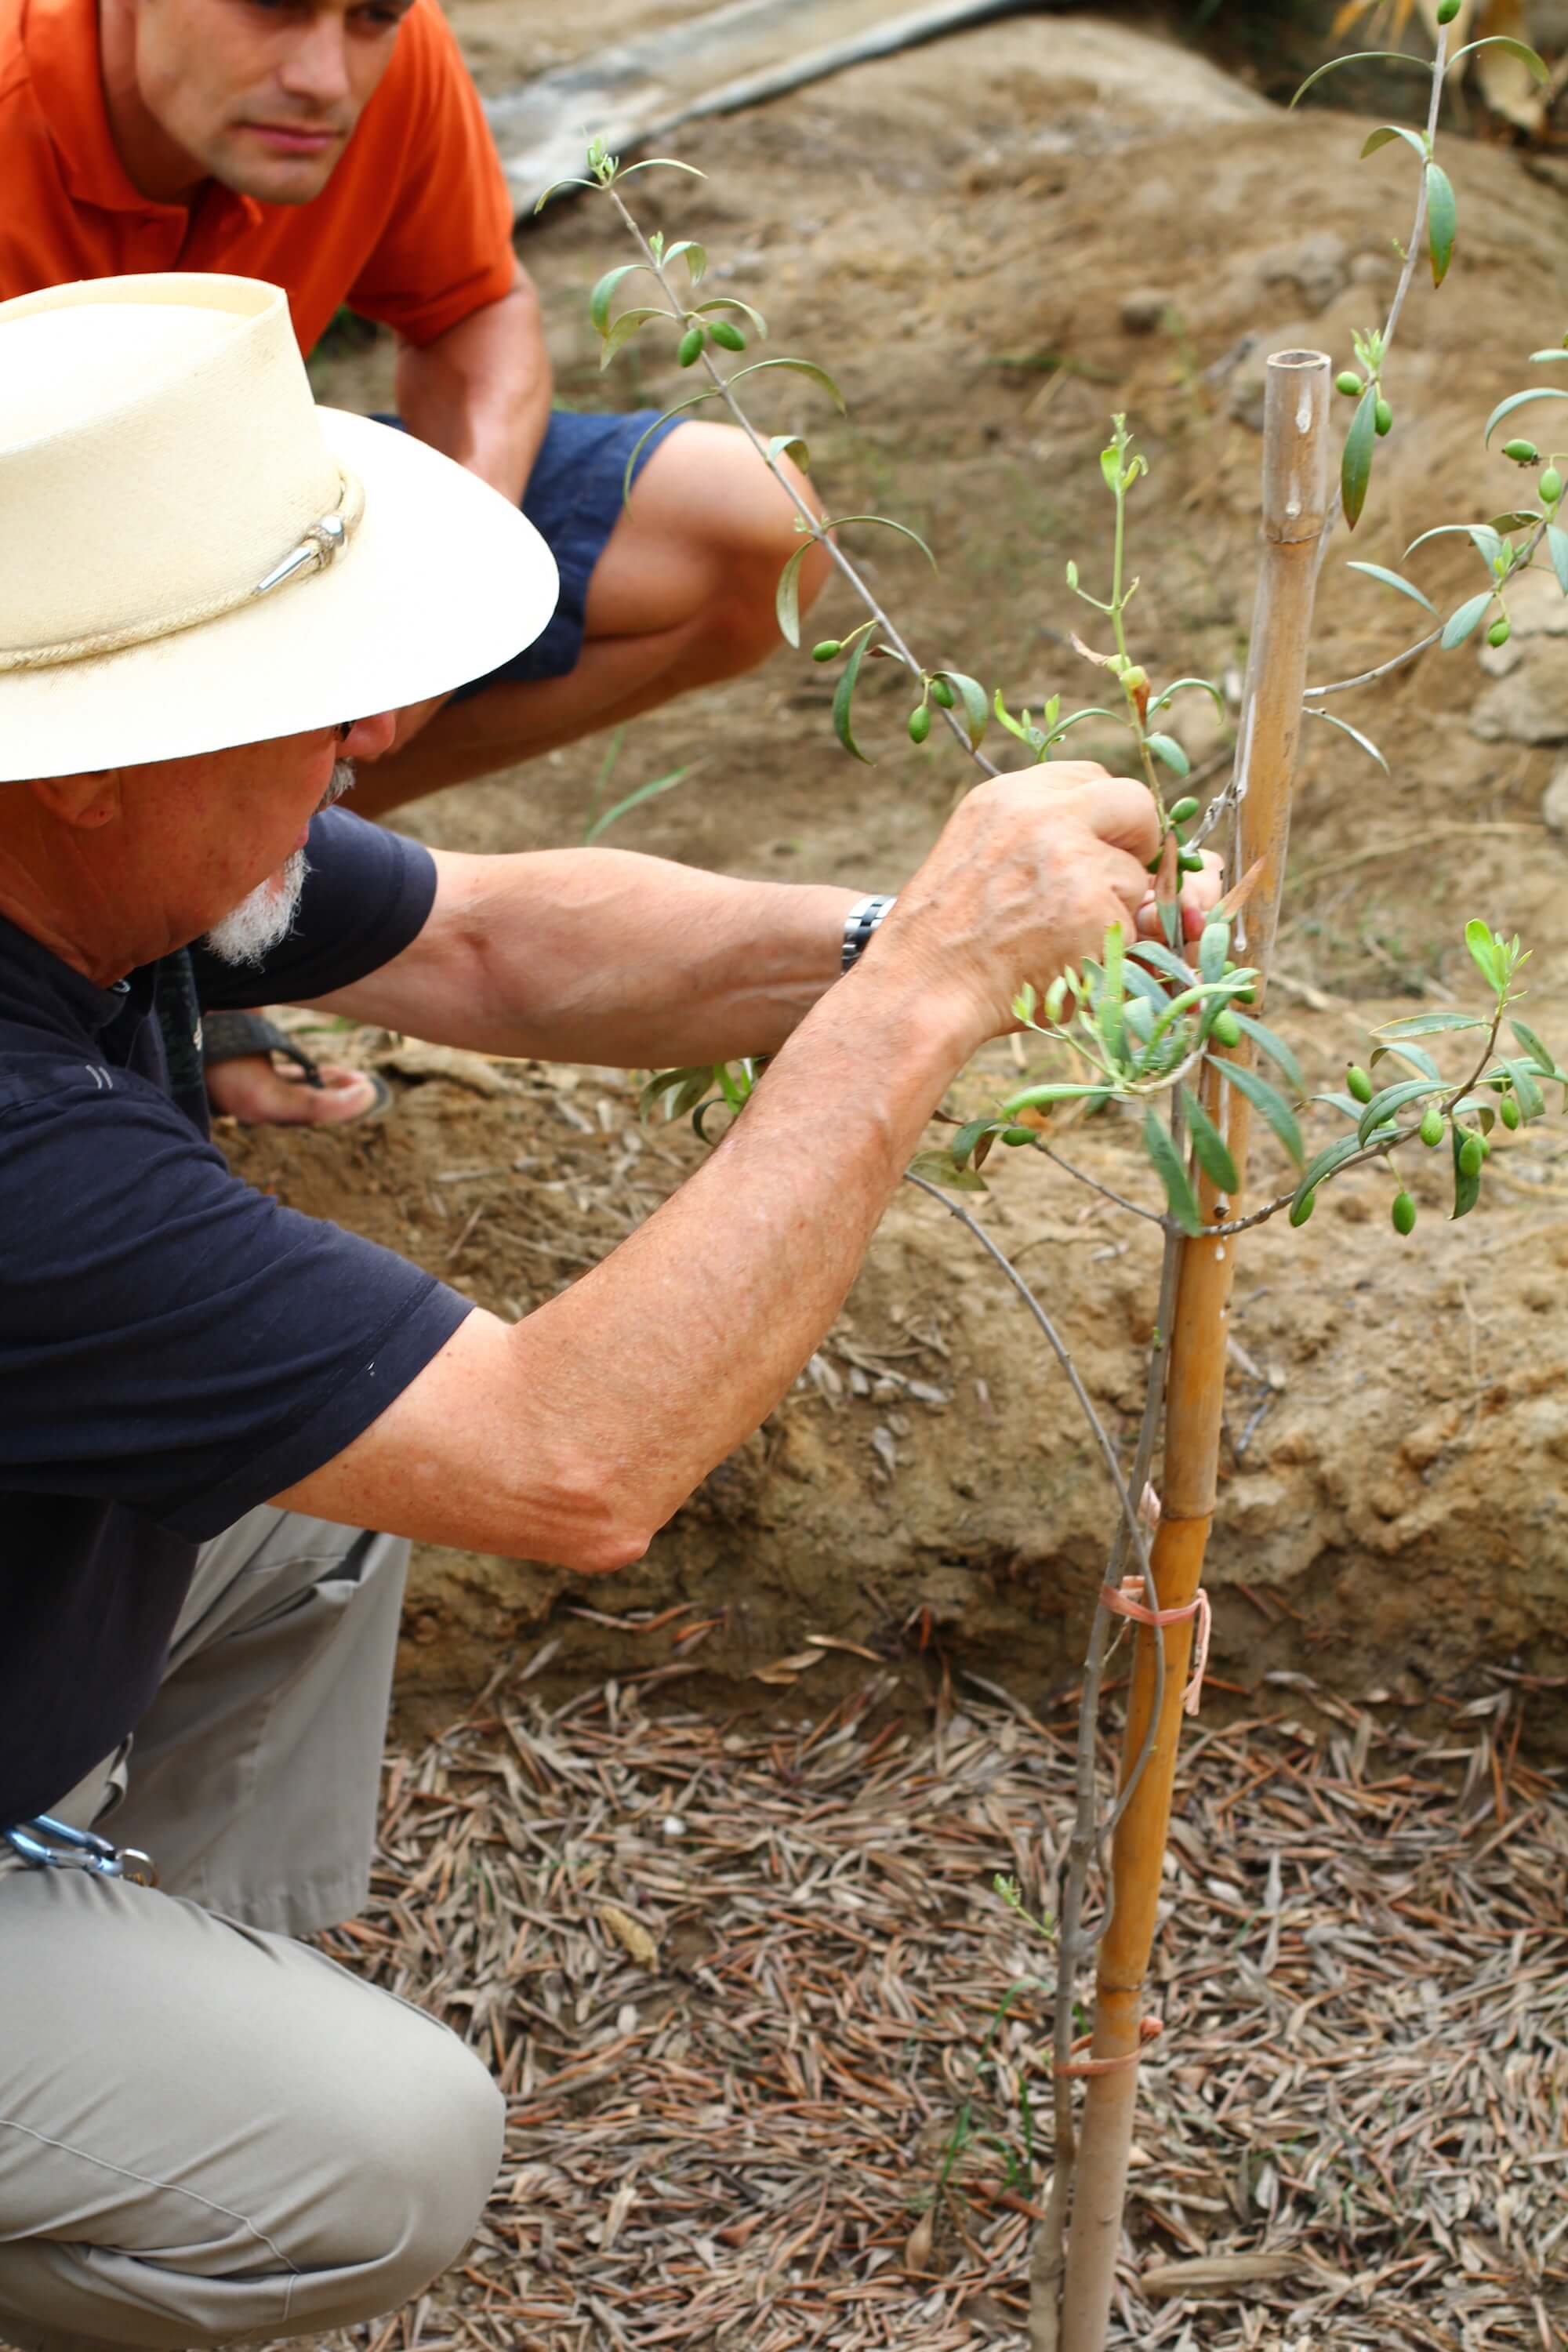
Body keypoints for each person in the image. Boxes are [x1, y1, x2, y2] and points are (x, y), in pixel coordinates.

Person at [0, 271, 1218, 2352]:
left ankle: (136, 2008)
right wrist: (922, 993)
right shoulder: (23, 1152)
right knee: (385, 2152)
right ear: (106, 758)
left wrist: (901, 942)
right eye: (307, 683)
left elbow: (491, 944)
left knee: (321, 1492)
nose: (371, 732)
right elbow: (569, 1461)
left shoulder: (95, 852)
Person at [0, 0, 831, 1124]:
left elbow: (475, 309)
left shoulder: (394, 60)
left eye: (369, 19)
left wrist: (427, 623)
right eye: (276, 9)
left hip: (236, 536)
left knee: (744, 521)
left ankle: (244, 900)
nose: (326, 78)